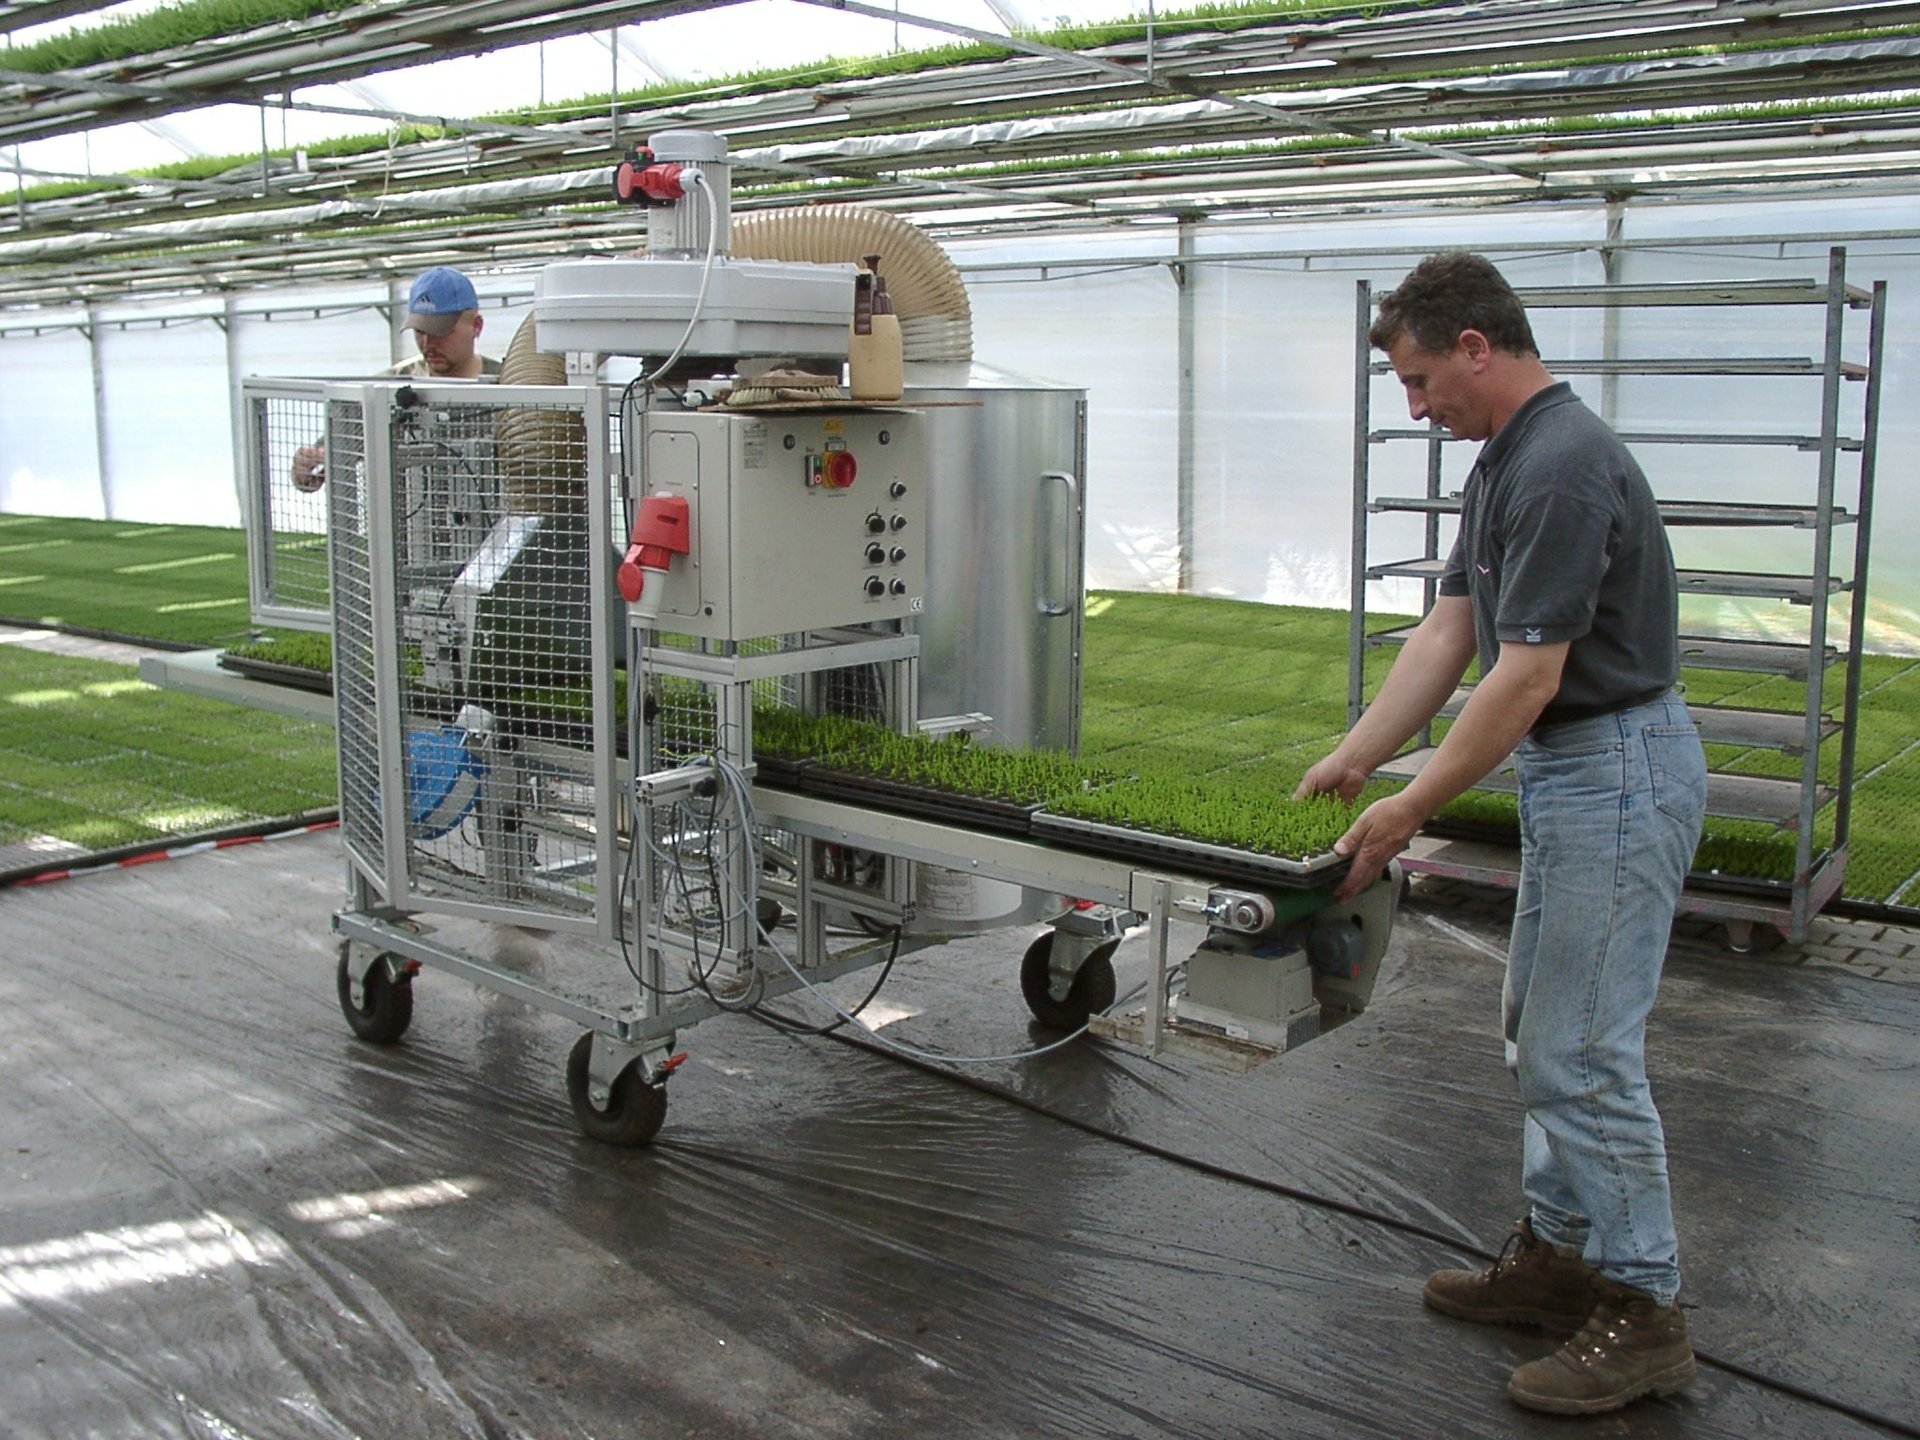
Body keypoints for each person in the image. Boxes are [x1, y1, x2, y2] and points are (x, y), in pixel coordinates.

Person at [1296, 251, 1707, 1417]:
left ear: (1478, 346)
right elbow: (1450, 631)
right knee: (1542, 1031)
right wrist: (1360, 753)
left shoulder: (1564, 469)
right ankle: (1563, 1257)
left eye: (1423, 381)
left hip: (1616, 770)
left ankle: (1644, 1309)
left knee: (1585, 1052)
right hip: (1580, 772)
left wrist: (1413, 805)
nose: (1417, 408)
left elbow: (1524, 680)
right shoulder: (1507, 462)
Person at [291, 266, 503, 491]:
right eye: (420, 331)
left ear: (476, 326)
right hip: (408, 525)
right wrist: (307, 469)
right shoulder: (387, 390)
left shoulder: (509, 386)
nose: (428, 343)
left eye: (441, 331)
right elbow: (329, 458)